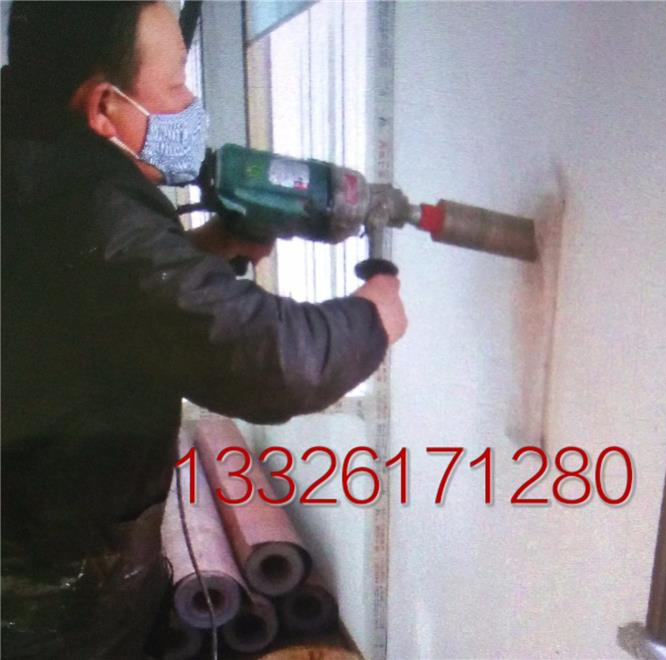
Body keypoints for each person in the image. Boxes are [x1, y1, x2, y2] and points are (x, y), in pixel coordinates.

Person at [0, 2, 407, 657]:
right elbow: (272, 361)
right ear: (104, 107)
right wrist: (372, 313)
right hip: (55, 595)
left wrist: (212, 249)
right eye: (176, 84)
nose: (190, 106)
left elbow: (93, 306)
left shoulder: (28, 158)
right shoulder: (93, 211)